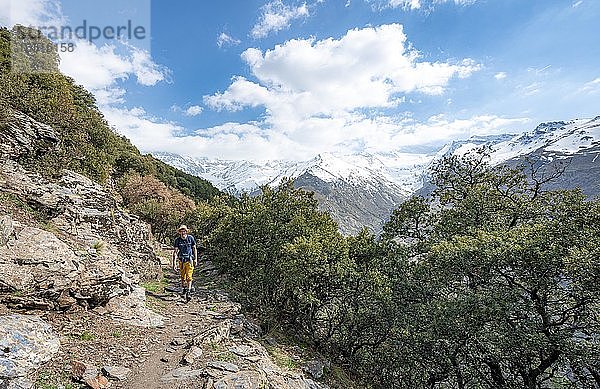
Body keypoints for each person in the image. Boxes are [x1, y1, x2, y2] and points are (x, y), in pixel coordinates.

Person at [172, 225, 197, 301]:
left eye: (184, 231)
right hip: (181, 260)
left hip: (189, 260)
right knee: (183, 277)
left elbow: (194, 248)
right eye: (181, 231)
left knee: (189, 277)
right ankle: (184, 289)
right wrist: (174, 263)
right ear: (179, 232)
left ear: (186, 231)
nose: (183, 232)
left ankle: (188, 292)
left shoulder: (190, 238)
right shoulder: (177, 240)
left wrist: (196, 259)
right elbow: (175, 252)